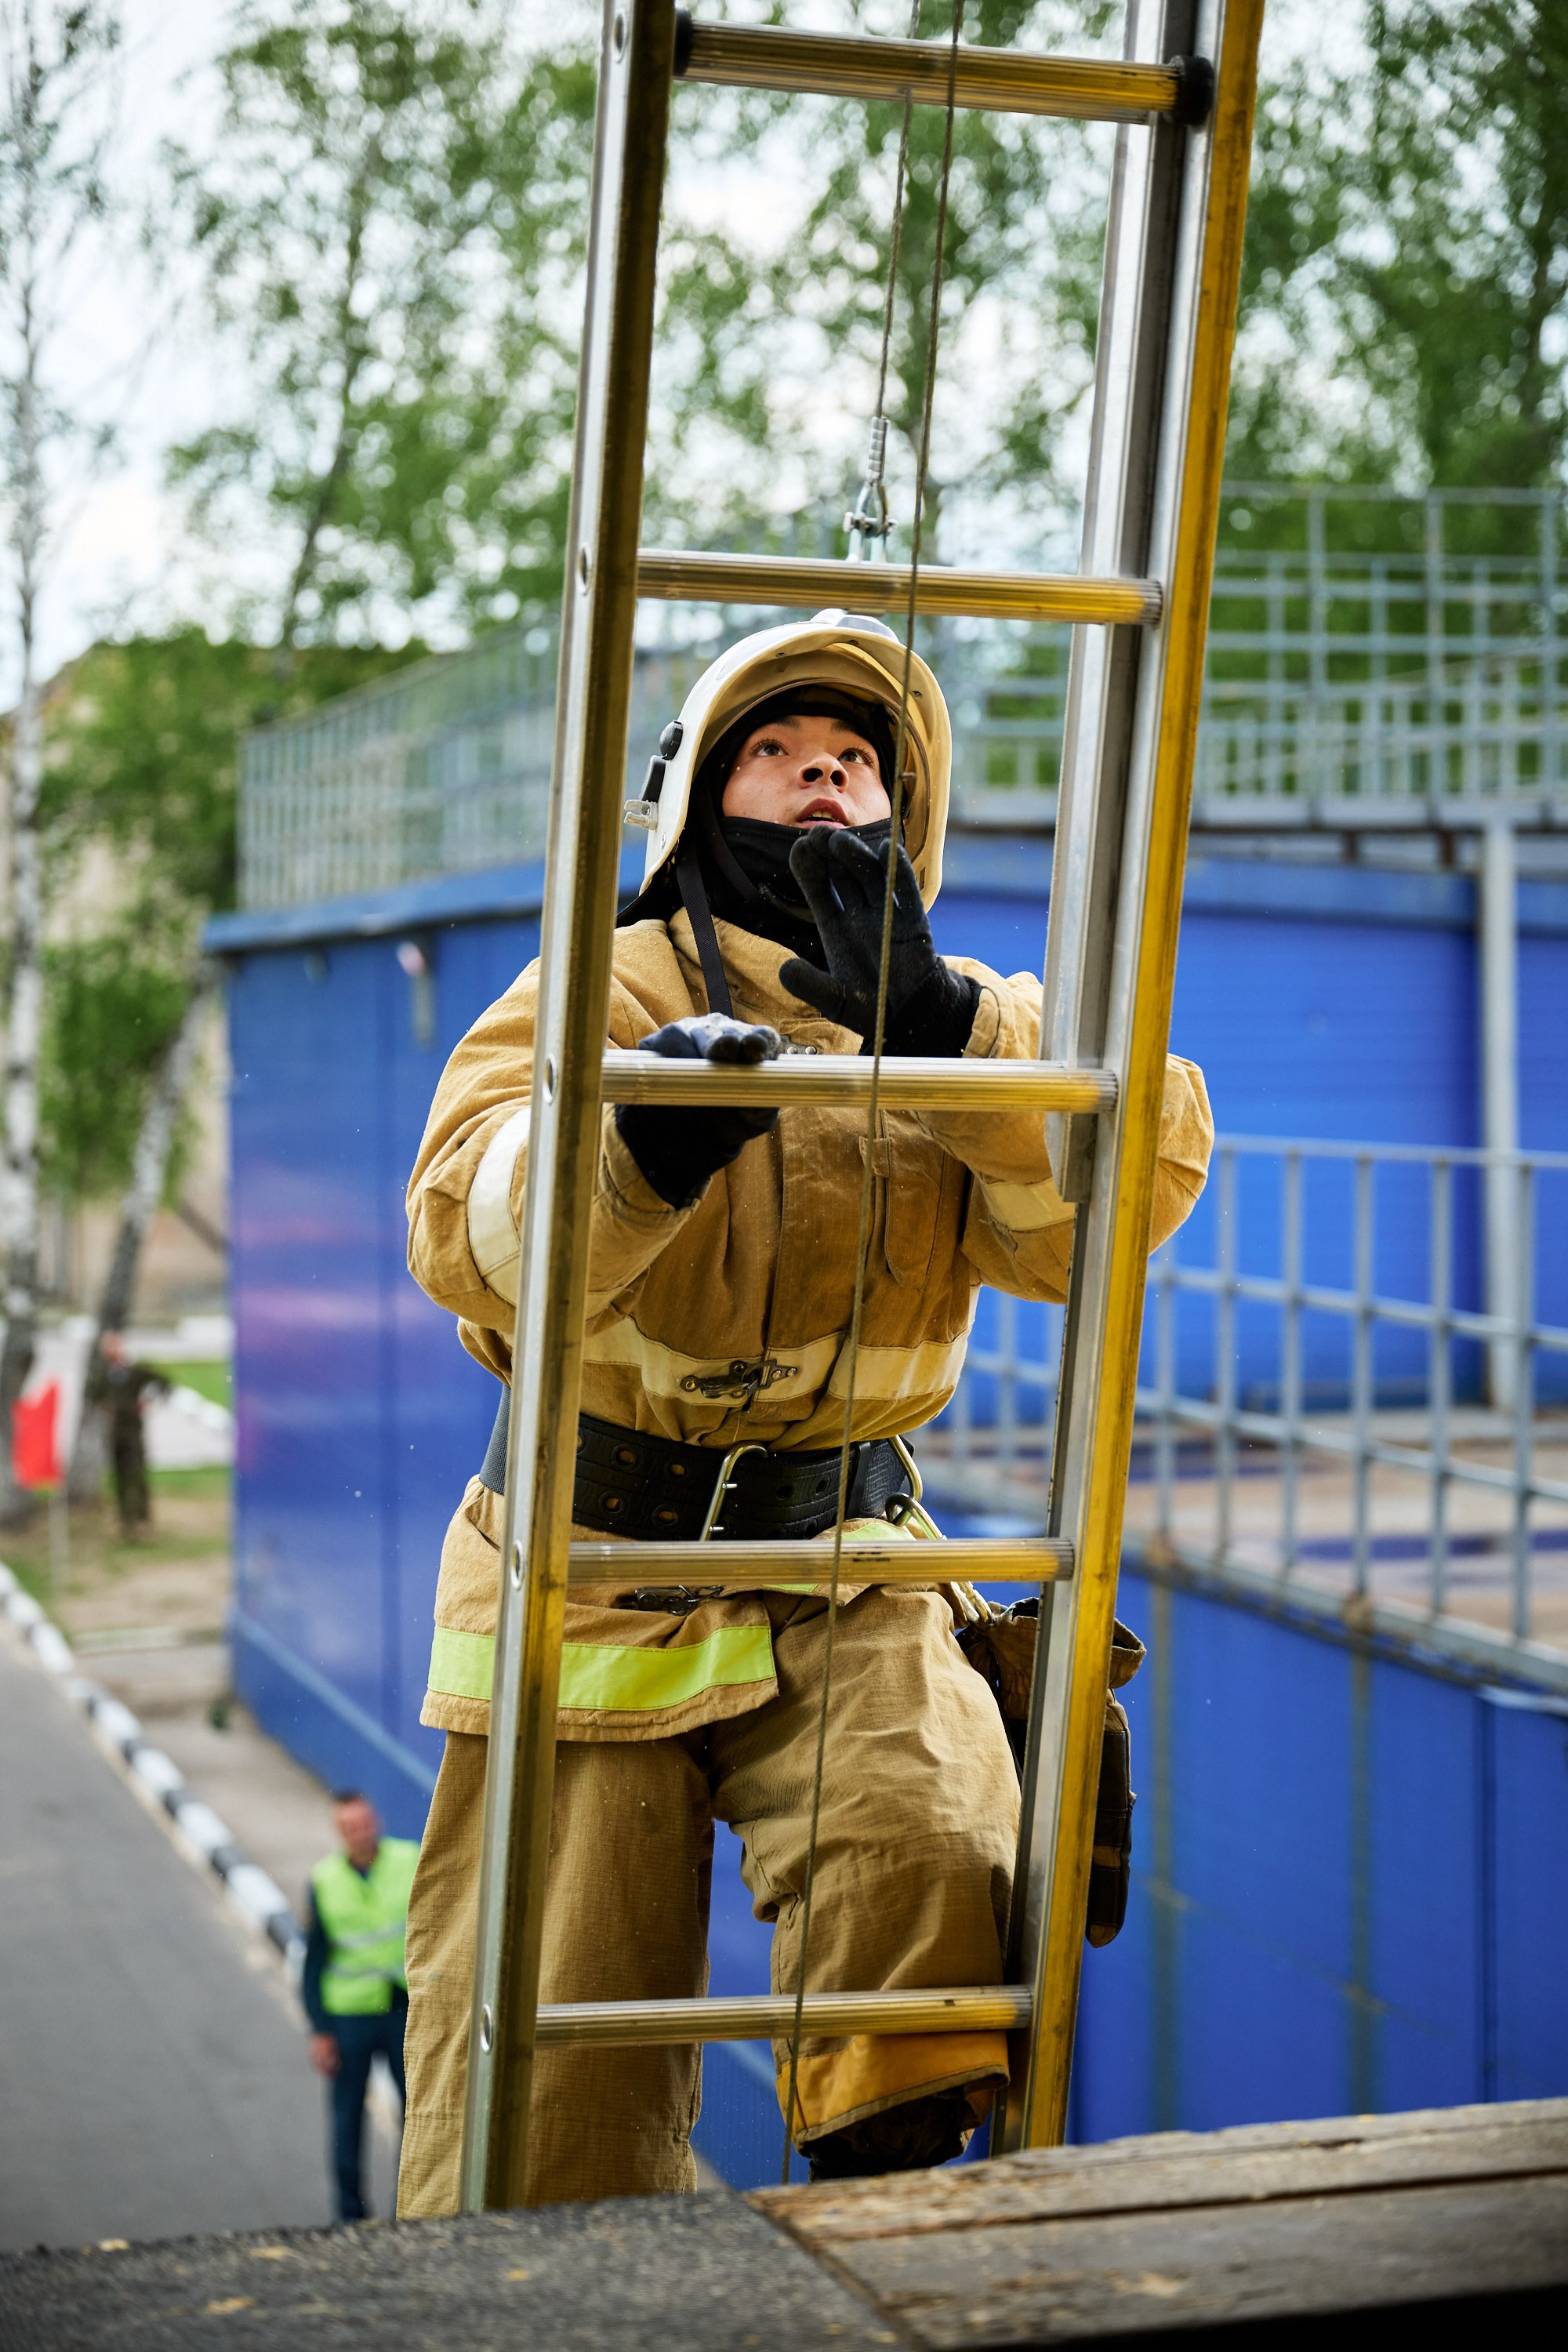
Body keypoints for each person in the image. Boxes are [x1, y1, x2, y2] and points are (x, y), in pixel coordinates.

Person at [397, 612, 1214, 2216]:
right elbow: (459, 1230)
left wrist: (958, 1039)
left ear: (902, 812)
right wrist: (642, 1147)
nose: (819, 783)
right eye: (775, 755)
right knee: (551, 2073)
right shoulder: (599, 989)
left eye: (852, 762)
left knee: (924, 1865)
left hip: (848, 1561)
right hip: (588, 1575)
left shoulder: (965, 1017)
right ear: (699, 801)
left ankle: (878, 2229)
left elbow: (1108, 1215)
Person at [302, 1789, 419, 2223]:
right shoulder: (324, 1881)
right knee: (347, 2119)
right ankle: (351, 2216)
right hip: (348, 2016)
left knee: (417, 2114)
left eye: (365, 1823)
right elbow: (313, 1963)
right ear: (340, 1833)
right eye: (350, 1827)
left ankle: (408, 2209)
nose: (360, 1832)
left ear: (377, 1820)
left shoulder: (410, 1860)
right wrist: (320, 2029)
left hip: (402, 2009)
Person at [84, 1331, 169, 1537]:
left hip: (132, 1431)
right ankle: (125, 1520)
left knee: (137, 1475)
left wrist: (148, 1402)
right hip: (114, 1433)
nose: (110, 1350)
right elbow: (91, 1396)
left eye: (113, 1345)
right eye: (107, 1346)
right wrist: (104, 1408)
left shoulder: (135, 1371)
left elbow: (164, 1383)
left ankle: (142, 1520)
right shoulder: (103, 1374)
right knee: (120, 1476)